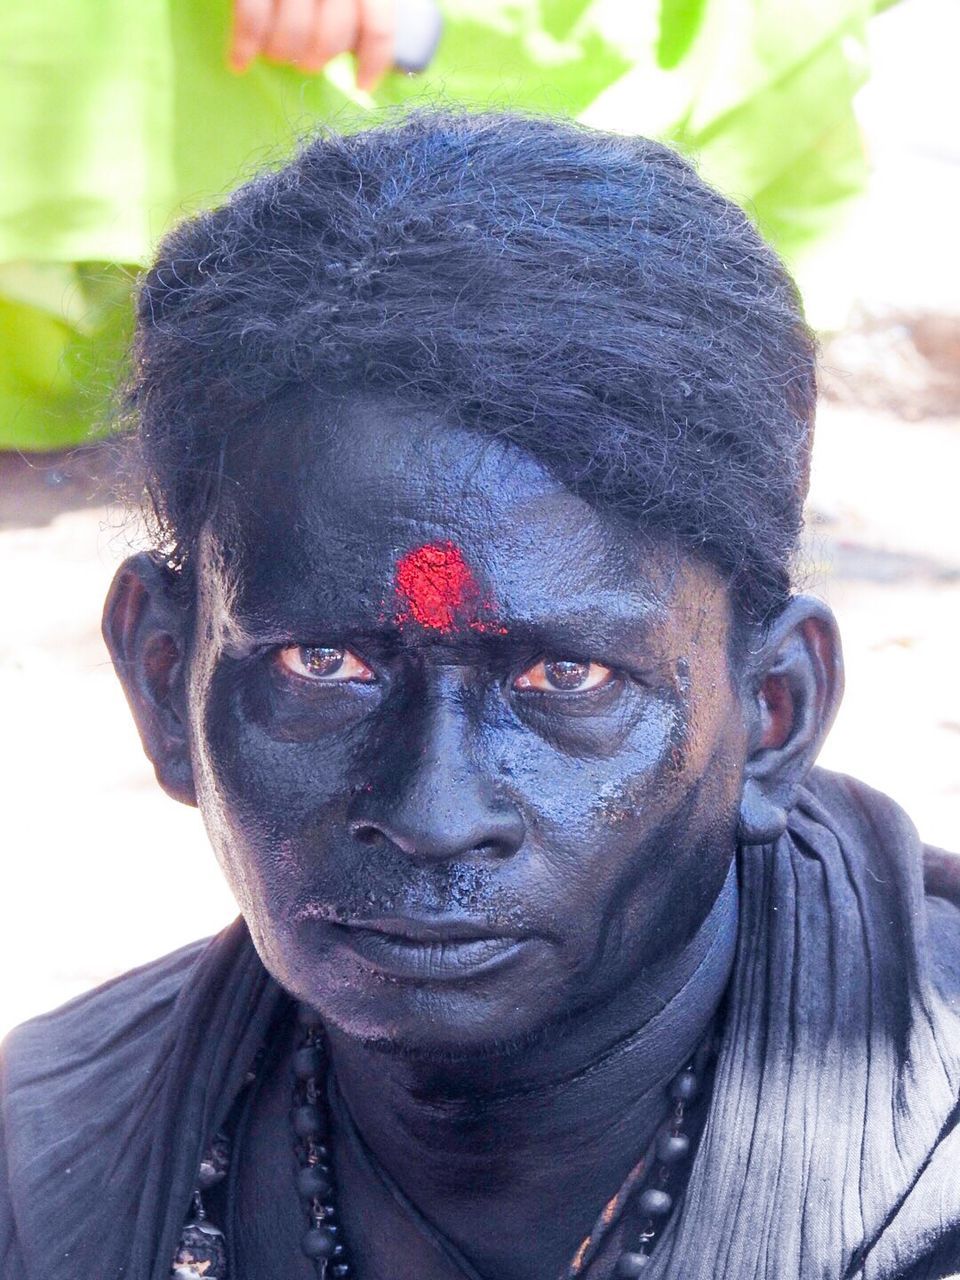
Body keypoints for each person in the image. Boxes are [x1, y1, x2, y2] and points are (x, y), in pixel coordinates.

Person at [2, 111, 958, 1280]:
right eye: (326, 667)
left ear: (773, 715)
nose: (433, 809)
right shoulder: (50, 1168)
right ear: (163, 679)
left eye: (568, 677)